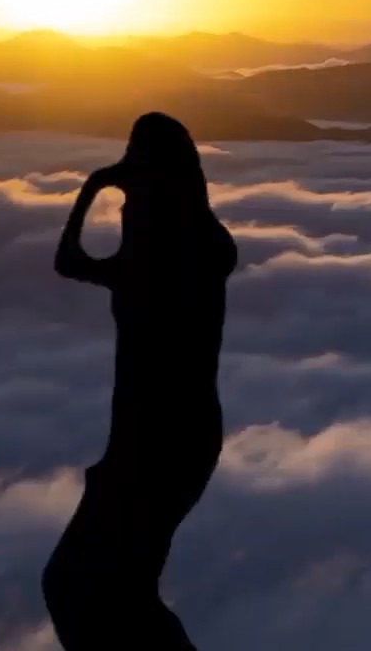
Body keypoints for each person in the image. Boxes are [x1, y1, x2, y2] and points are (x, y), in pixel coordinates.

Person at [41, 112, 238, 650]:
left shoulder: (179, 253)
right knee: (114, 589)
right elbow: (69, 264)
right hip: (153, 439)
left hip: (162, 443)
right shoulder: (169, 244)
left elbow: (70, 261)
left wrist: (93, 185)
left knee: (83, 586)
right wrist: (99, 185)